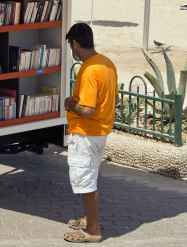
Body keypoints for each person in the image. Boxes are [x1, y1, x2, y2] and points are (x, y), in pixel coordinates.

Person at [62, 23, 118, 244]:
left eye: (71, 45)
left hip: (86, 134)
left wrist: (69, 103)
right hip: (100, 132)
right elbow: (112, 99)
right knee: (91, 177)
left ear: (75, 43)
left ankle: (93, 230)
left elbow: (87, 109)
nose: (72, 50)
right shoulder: (107, 63)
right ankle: (88, 219)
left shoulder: (88, 69)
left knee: (86, 183)